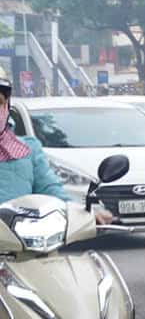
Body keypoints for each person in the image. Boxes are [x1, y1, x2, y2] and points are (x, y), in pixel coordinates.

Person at [0, 67, 113, 221]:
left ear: (6, 104)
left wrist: (81, 214)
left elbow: (50, 190)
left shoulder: (28, 149)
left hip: (22, 239)